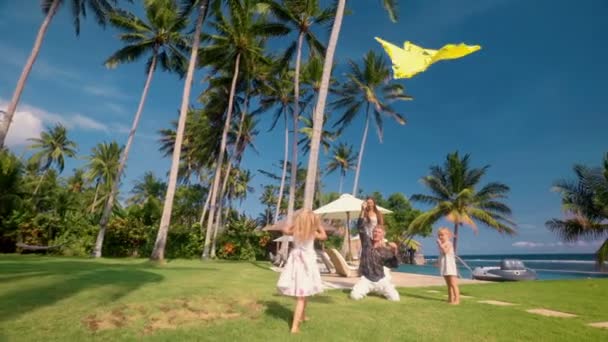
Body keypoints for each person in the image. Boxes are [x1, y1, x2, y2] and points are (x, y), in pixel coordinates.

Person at [277, 209, 327, 333]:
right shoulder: (313, 232)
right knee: (302, 296)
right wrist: (319, 224)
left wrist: (295, 222)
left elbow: (284, 229)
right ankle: (294, 327)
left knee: (305, 291)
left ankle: (303, 316)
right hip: (307, 264)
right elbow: (324, 236)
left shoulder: (295, 231)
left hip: (297, 263)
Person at [350, 202, 400, 301]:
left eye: (379, 232)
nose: (376, 233)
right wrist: (362, 210)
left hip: (381, 279)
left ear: (383, 235)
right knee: (354, 296)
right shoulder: (366, 242)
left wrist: (395, 251)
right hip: (367, 279)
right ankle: (367, 290)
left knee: (395, 299)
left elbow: (394, 265)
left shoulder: (385, 250)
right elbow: (360, 226)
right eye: (375, 232)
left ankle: (382, 290)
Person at [436, 227, 460, 305]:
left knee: (453, 284)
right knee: (448, 284)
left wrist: (440, 244)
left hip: (450, 266)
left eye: (442, 235)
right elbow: (441, 255)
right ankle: (450, 299)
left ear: (448, 235)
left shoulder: (449, 243)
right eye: (439, 235)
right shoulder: (442, 244)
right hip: (445, 266)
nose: (440, 237)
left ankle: (457, 300)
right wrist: (438, 262)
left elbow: (445, 251)